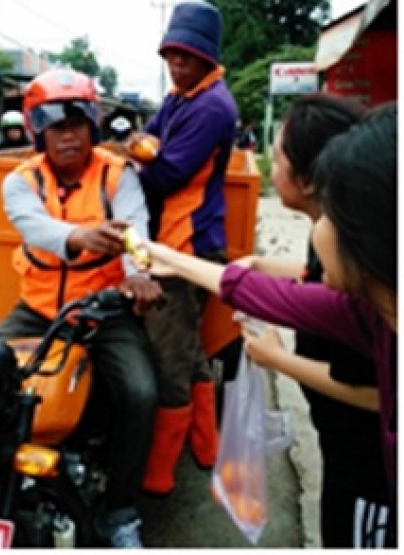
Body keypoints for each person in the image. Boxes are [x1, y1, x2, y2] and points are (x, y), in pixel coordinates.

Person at [129, 103, 397, 548]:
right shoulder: (367, 304)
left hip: (365, 478)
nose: (320, 228)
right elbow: (267, 291)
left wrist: (278, 360)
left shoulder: (362, 307)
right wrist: (175, 258)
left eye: (336, 213)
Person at [0, 68, 163, 548]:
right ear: (38, 131)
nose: (68, 136)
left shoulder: (118, 174)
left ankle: (121, 512)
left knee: (140, 392)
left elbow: (136, 230)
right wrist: (80, 236)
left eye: (77, 124)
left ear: (93, 125)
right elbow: (35, 229)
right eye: (56, 126)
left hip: (103, 310)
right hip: (37, 309)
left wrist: (139, 276)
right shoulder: (20, 181)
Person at [235, 94, 389, 548]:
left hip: (369, 471)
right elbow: (315, 280)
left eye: (277, 157)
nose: (271, 168)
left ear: (309, 179)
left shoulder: (354, 258)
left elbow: (381, 394)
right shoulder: (339, 236)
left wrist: (277, 359)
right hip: (341, 449)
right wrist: (264, 266)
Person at [126, 0, 238, 495]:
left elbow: (166, 173)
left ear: (208, 59)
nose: (176, 64)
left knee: (167, 354)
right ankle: (207, 447)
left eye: (186, 57)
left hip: (184, 243)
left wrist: (133, 168)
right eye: (171, 55)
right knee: (190, 352)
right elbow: (147, 140)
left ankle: (157, 474)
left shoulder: (212, 106)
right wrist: (139, 151)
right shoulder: (180, 96)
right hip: (189, 241)